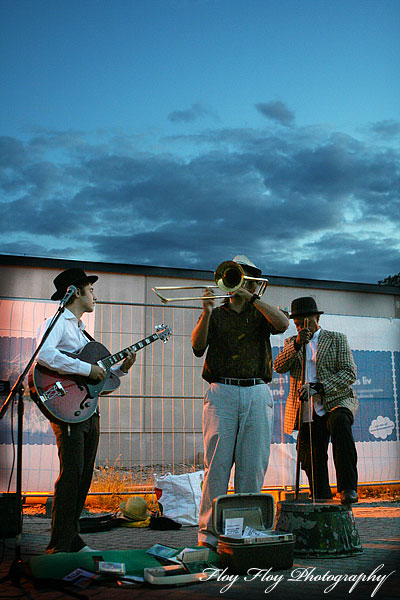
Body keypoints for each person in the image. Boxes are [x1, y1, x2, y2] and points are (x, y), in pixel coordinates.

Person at [192, 255, 289, 549]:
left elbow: (283, 323)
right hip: (221, 391)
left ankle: (248, 531)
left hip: (257, 391)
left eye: (243, 277)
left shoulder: (261, 312)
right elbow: (198, 347)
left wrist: (252, 299)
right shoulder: (217, 313)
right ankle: (208, 535)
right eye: (235, 276)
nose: (237, 282)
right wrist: (206, 312)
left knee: (253, 466)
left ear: (250, 281)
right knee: (217, 465)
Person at [36, 268, 136, 553]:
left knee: (83, 476)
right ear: (76, 292)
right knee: (72, 475)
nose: (95, 295)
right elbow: (44, 354)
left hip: (87, 409)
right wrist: (85, 368)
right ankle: (59, 544)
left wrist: (122, 368)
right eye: (90, 290)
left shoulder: (80, 330)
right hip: (67, 408)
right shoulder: (58, 323)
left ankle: (72, 539)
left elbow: (98, 373)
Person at [273, 296, 358, 504]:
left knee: (340, 424)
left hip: (336, 401)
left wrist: (321, 387)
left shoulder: (336, 339)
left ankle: (347, 488)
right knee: (309, 454)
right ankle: (321, 496)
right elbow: (278, 366)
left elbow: (349, 373)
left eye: (306, 320)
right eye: (297, 322)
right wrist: (297, 344)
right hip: (306, 409)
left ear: (316, 318)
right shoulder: (291, 343)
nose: (302, 325)